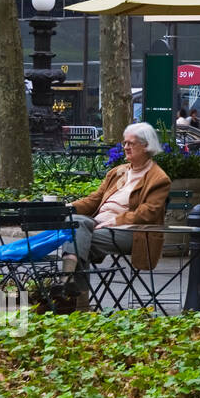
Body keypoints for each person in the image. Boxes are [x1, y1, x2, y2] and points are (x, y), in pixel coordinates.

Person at [65, 122, 172, 302]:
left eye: (131, 143)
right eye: (125, 143)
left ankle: (72, 292)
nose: (126, 147)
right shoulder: (118, 172)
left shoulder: (158, 178)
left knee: (76, 239)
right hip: (99, 225)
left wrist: (116, 221)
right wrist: (66, 208)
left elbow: (148, 213)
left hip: (134, 231)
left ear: (146, 146)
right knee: (77, 223)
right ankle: (70, 287)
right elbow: (94, 199)